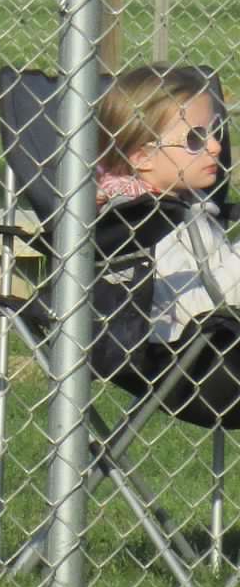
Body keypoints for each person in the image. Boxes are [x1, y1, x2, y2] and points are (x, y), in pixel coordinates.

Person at [93, 66, 240, 419]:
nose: (215, 146)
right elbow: (194, 302)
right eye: (195, 139)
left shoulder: (187, 202)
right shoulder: (140, 221)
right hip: (185, 349)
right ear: (142, 157)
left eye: (215, 131)